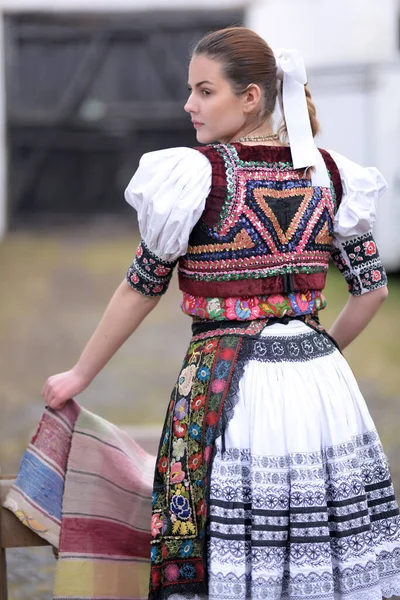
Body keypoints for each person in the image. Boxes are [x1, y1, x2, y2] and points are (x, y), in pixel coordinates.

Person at [41, 27, 400, 600]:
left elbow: (142, 286)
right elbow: (372, 292)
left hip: (226, 388)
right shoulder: (331, 174)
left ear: (250, 97)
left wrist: (79, 375)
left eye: (205, 91)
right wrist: (314, 356)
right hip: (322, 387)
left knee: (229, 549)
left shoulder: (195, 176)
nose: (190, 105)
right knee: (316, 549)